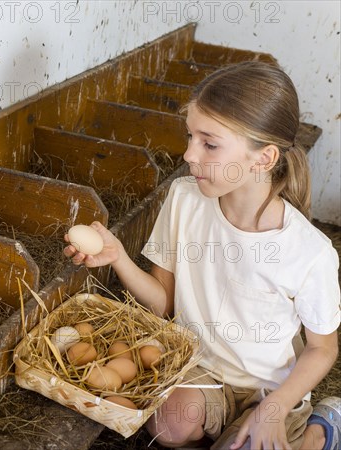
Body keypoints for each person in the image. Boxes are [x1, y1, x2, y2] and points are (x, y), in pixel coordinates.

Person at [64, 61, 340, 450]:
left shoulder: (310, 252)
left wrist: (274, 409)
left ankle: (321, 430)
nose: (189, 154)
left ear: (263, 159)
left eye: (209, 144)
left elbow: (323, 348)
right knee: (167, 427)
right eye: (190, 136)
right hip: (201, 370)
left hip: (271, 392)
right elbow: (165, 302)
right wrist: (118, 257)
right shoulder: (184, 199)